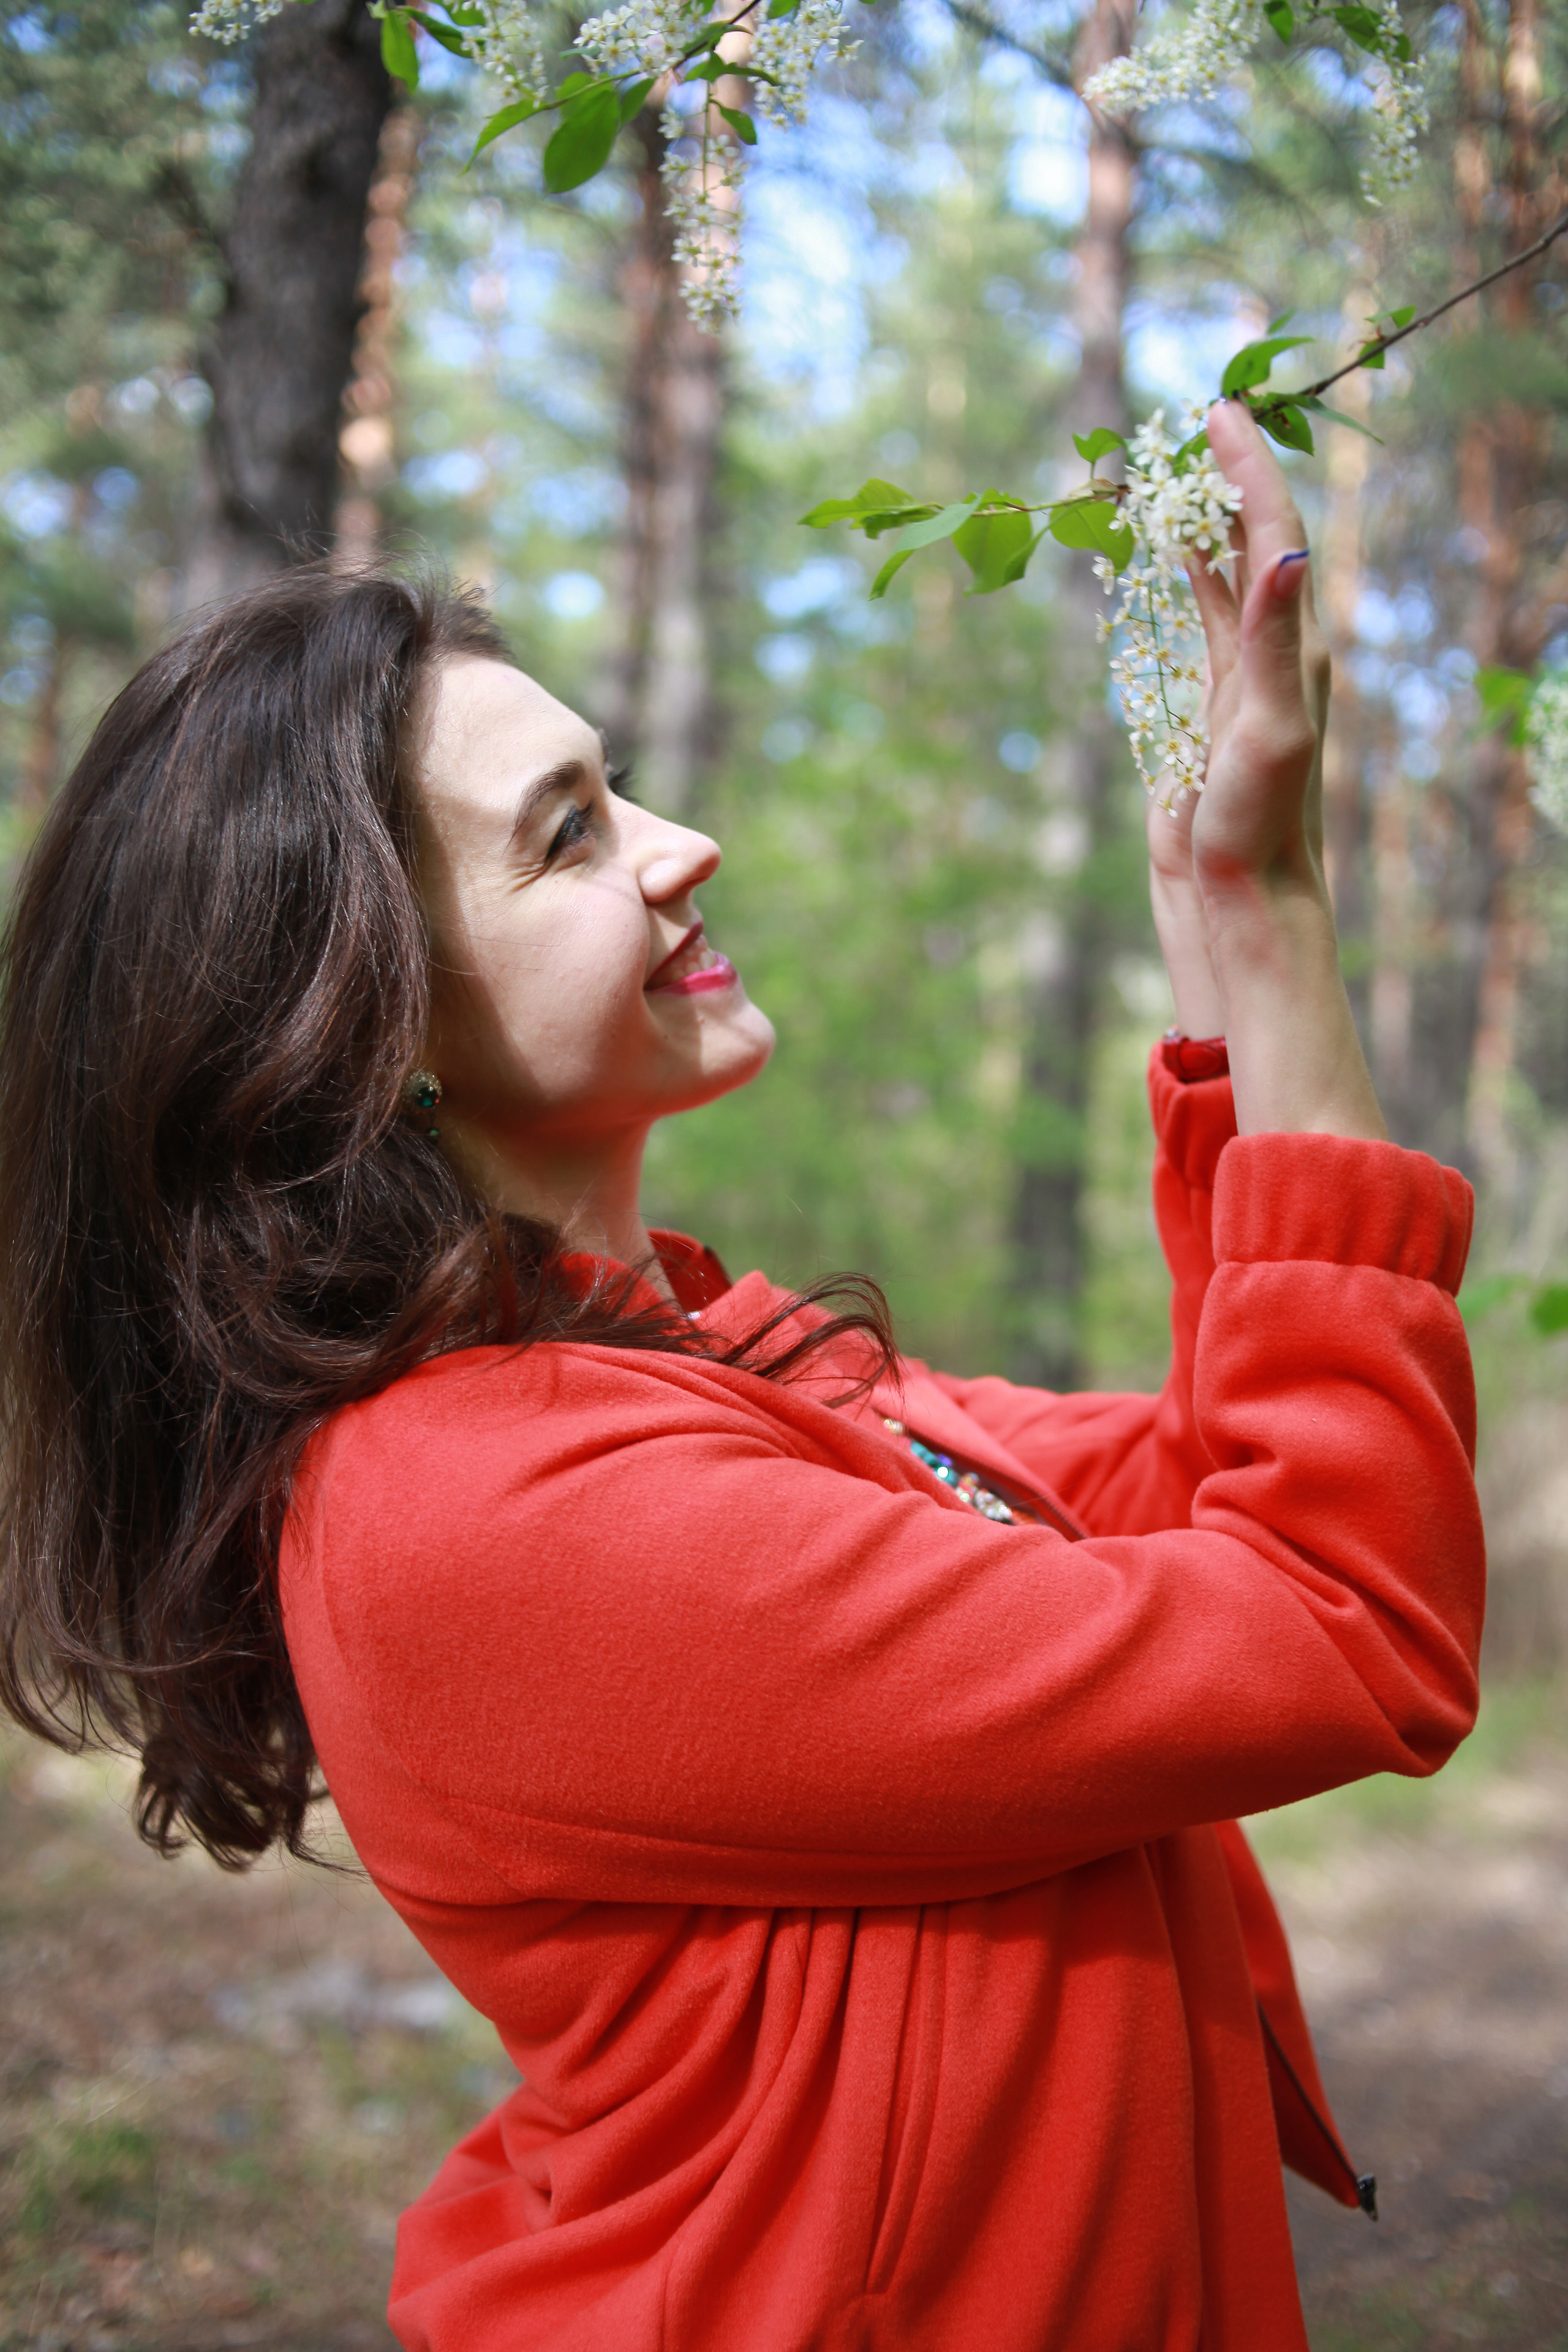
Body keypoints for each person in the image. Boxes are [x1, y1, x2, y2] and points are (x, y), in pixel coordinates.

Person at [0, 401, 1483, 2352]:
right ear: (362, 1028)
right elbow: (1348, 1611)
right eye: (569, 838)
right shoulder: (478, 1511)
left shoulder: (708, 1359)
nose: (685, 846)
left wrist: (1214, 918)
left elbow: (1236, 1485)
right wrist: (1279, 916)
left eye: (615, 789)